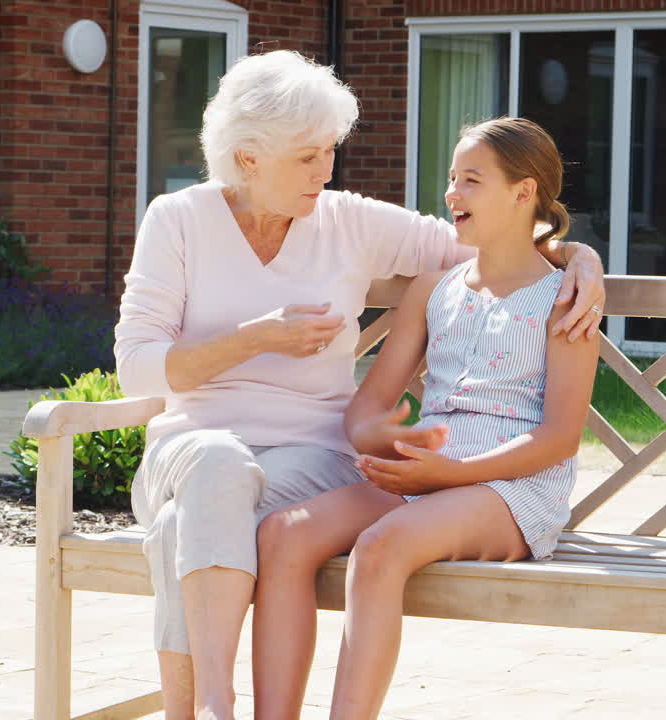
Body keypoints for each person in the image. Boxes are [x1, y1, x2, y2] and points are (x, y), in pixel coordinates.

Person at [113, 51, 605, 720]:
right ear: (250, 157)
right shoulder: (177, 220)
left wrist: (581, 257)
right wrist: (256, 338)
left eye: (328, 151)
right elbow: (137, 366)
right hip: (197, 451)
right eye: (307, 156)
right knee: (214, 475)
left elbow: (499, 239)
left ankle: (201, 713)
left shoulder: (346, 219)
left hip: (318, 465)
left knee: (188, 528)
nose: (326, 170)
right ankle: (218, 706)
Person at [252, 116, 600, 719]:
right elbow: (367, 411)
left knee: (380, 547)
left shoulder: (566, 298)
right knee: (283, 533)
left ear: (523, 193)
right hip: (426, 478)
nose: (452, 194)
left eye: (471, 180)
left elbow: (559, 439)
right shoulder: (433, 289)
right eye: (451, 179)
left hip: (510, 488)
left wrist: (447, 473)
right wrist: (381, 440)